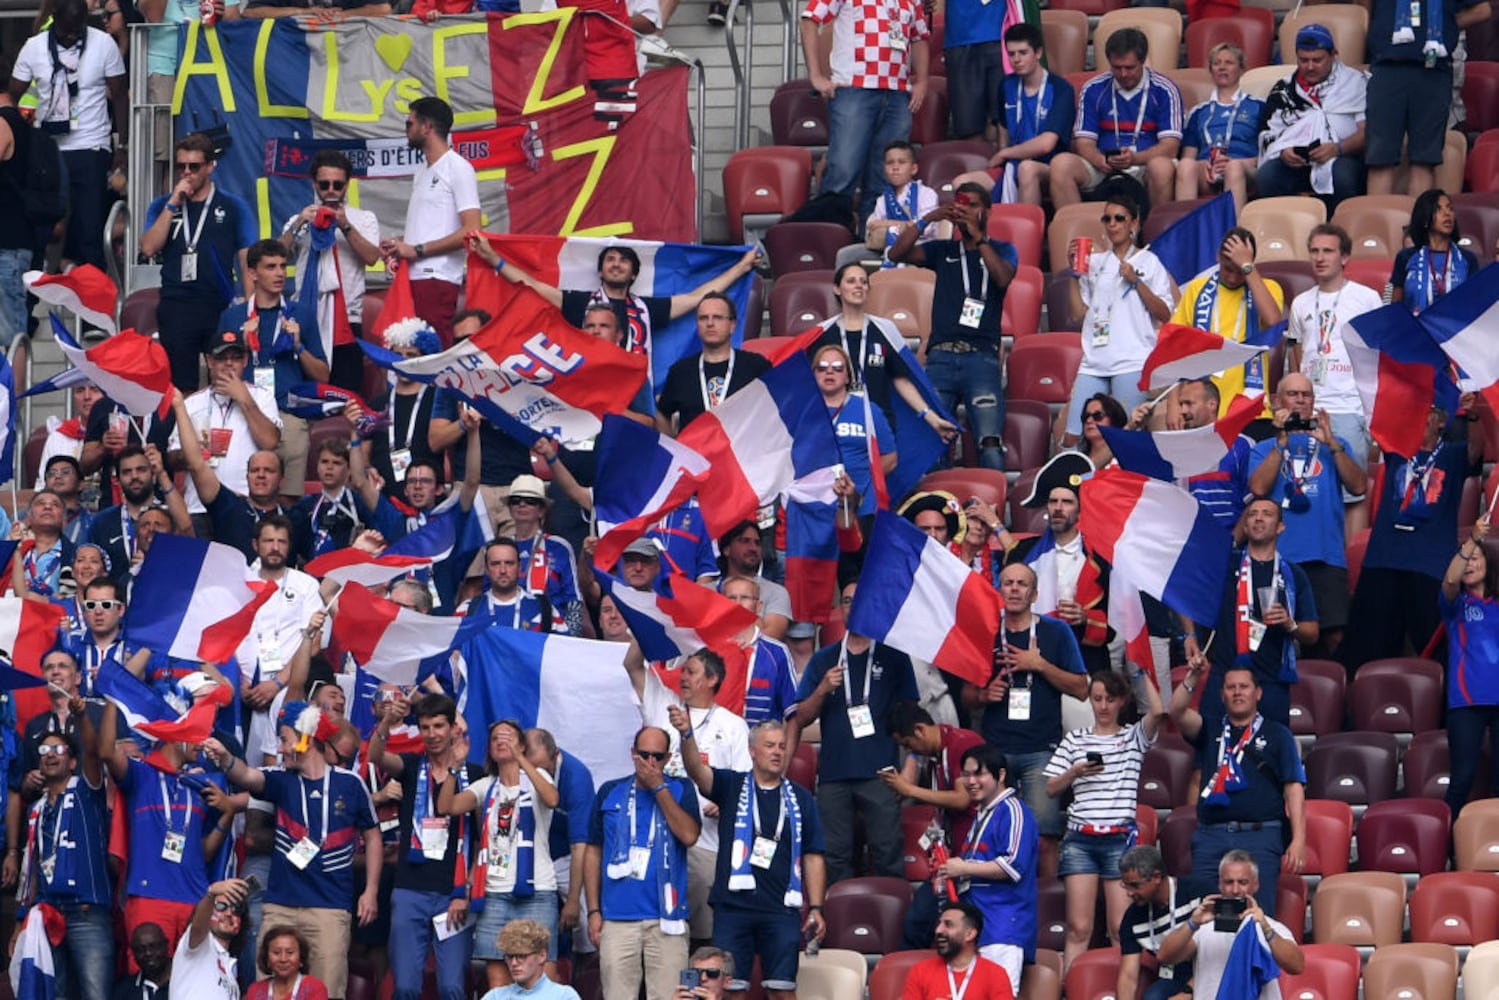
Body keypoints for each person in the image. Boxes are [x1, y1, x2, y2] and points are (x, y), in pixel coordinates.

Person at [202, 704, 381, 1000]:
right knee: (270, 993)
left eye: (285, 740)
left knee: (328, 992)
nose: (281, 749)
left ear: (305, 739)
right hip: (280, 906)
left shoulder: (351, 784)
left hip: (330, 908)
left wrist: (371, 890)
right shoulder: (281, 779)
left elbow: (373, 837)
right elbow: (247, 776)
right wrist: (224, 758)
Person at [673, 718, 827, 998]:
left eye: (782, 746)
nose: (777, 752)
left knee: (782, 990)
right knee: (731, 991)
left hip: (781, 910)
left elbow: (813, 855)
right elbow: (697, 771)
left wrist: (816, 906)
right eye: (769, 745)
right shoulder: (731, 785)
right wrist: (686, 734)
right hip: (734, 908)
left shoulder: (802, 799)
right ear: (752, 750)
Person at [964, 561, 1086, 880]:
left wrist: (1040, 665)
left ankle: (1044, 917)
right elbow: (965, 695)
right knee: (995, 837)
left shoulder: (1055, 631)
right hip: (995, 751)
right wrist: (982, 696)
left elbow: (1082, 688)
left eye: (1022, 584)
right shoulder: (986, 631)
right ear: (998, 590)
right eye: (1008, 583)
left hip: (1040, 750)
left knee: (1044, 837)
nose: (1015, 589)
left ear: (1034, 594)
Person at [1343, 400, 1482, 672]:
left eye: (1425, 410)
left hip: (1429, 566)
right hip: (1383, 560)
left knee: (1437, 653)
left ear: (1440, 421)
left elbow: (1477, 450)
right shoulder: (1397, 450)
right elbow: (1381, 414)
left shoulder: (1453, 455)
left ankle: (1444, 710)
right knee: (1365, 654)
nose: (1416, 414)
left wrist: (1474, 414)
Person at [795, 578, 918, 883]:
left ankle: (895, 924)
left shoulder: (894, 656)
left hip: (882, 773)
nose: (853, 605)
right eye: (847, 600)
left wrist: (910, 771)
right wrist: (822, 689)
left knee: (887, 851)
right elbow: (801, 717)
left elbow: (911, 720)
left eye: (859, 599)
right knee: (835, 855)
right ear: (842, 609)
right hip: (835, 774)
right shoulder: (824, 658)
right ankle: (839, 923)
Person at [890, 182, 1018, 472]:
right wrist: (929, 219)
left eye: (974, 205)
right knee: (932, 438)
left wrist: (980, 238)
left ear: (988, 211)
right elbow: (896, 255)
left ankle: (990, 510)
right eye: (962, 203)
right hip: (941, 357)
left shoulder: (1002, 249)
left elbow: (1002, 278)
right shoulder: (943, 250)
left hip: (981, 358)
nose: (966, 210)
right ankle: (936, 510)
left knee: (989, 441)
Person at [1044, 669, 1164, 972]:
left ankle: (1119, 991)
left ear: (1122, 701)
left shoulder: (1132, 737)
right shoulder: (1074, 739)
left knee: (1118, 927)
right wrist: (1075, 773)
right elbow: (1050, 788)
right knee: (1078, 928)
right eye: (1097, 699)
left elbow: (1158, 711)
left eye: (1110, 699)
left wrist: (1143, 670)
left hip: (1118, 838)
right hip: (1080, 839)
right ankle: (1072, 990)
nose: (1103, 706)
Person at [364, 692, 482, 1000]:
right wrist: (387, 723)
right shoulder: (411, 766)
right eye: (425, 727)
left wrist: (467, 888)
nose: (432, 734)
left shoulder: (477, 774)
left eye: (439, 726)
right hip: (410, 890)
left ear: (453, 728)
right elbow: (376, 756)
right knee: (404, 986)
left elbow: (481, 838)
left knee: (453, 987)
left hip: (452, 893)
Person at [1168, 666, 1306, 917]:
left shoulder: (1278, 734)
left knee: (1256, 916)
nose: (1237, 692)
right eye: (1231, 688)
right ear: (1222, 695)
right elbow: (1175, 711)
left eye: (1244, 687)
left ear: (1258, 693)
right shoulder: (1209, 729)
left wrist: (1298, 839)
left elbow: (1293, 787)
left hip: (1260, 835)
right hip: (1211, 837)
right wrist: (1193, 678)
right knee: (1203, 915)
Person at [100, 697, 233, 951]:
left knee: (191, 986)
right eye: (197, 733)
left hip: (195, 898)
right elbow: (106, 751)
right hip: (150, 897)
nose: (202, 742)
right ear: (175, 733)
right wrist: (114, 697)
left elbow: (202, 852)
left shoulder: (200, 786)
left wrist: (227, 814)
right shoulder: (141, 775)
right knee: (149, 982)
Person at [1247, 374, 1366, 656]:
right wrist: (1280, 442)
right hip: (1280, 559)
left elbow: (1359, 486)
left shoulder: (1334, 447)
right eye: (1292, 394)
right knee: (1275, 638)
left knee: (1332, 639)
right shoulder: (1263, 449)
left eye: (1306, 395)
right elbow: (1259, 488)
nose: (1300, 400)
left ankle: (1326, 698)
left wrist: (1333, 443)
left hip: (1326, 557)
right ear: (1277, 401)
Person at [439, 718, 562, 988]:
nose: (500, 741)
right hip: (494, 894)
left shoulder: (538, 778)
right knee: (499, 982)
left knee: (544, 981)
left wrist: (521, 759)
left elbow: (553, 800)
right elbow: (447, 806)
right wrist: (454, 767)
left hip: (538, 891)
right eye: (495, 738)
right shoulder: (486, 785)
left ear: (521, 745)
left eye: (508, 736)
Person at [583, 726, 702, 1000]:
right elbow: (593, 852)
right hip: (617, 918)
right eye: (644, 755)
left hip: (667, 918)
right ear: (632, 754)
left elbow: (689, 835)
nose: (650, 763)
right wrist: (592, 911)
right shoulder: (610, 790)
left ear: (668, 757)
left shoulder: (681, 788)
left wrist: (659, 787)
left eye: (657, 757)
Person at [9, 0, 126, 274]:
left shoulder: (103, 44)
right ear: (55, 17)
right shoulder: (34, 47)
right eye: (65, 31)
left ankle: (90, 315)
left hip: (92, 148)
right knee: (40, 231)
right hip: (49, 152)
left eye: (77, 30)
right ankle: (29, 309)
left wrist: (121, 146)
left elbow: (119, 94)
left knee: (89, 234)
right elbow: (12, 95)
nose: (72, 36)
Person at [1187, 497, 1318, 733]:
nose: (1258, 518)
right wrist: (1189, 636)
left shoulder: (1293, 575)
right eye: (1252, 514)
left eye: (1267, 514)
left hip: (1271, 682)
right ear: (1245, 526)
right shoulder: (1223, 565)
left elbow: (1312, 633)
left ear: (1280, 527)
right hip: (1225, 678)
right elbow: (1185, 590)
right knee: (1210, 755)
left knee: (1270, 760)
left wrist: (1290, 624)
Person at [141, 133, 257, 391]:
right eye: (181, 166)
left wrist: (250, 310)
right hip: (176, 303)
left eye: (193, 167)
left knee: (225, 378)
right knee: (181, 386)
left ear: (210, 167)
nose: (186, 173)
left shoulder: (232, 205)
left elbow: (246, 259)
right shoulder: (162, 205)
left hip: (218, 304)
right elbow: (149, 247)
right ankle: (185, 431)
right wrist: (172, 203)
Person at [799, 0, 930, 226]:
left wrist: (922, 80)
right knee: (842, 172)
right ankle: (831, 243)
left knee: (886, 178)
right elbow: (809, 19)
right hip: (854, 89)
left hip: (897, 94)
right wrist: (816, 75)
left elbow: (919, 37)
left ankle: (871, 245)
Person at [218, 239, 327, 498]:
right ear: (253, 273)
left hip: (287, 412)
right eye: (271, 267)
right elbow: (219, 375)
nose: (279, 273)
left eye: (282, 266)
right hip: (243, 411)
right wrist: (243, 346)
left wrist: (299, 347)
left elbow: (323, 375)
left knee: (289, 496)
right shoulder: (233, 317)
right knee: (238, 494)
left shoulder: (302, 314)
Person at [1063, 196, 1173, 448]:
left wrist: (1136, 281)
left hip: (1132, 360)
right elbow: (1077, 314)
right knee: (1073, 435)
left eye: (1119, 218)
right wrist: (1074, 274)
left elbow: (1165, 313)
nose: (1112, 224)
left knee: (1128, 435)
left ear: (1133, 223)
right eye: (1107, 219)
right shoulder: (1096, 262)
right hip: (1094, 360)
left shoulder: (1149, 261)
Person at [807, 263, 957, 445]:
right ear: (837, 289)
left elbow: (900, 378)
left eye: (863, 282)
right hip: (837, 425)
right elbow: (808, 383)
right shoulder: (822, 333)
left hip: (879, 426)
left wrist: (930, 417)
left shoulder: (885, 330)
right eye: (851, 281)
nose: (858, 286)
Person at [936, 745, 1037, 995]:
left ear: (1000, 775)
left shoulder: (1013, 810)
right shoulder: (983, 815)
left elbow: (1013, 866)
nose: (971, 781)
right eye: (966, 775)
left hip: (1004, 924)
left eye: (979, 774)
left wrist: (963, 866)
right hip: (978, 925)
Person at [1365, 0, 1492, 197]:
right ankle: (1376, 224)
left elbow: (1482, 10)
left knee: (1424, 159)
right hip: (1387, 67)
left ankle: (1417, 226)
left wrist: (1444, 23)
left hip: (1432, 71)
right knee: (1380, 159)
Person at [278, 149, 381, 391]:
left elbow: (372, 257)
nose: (331, 191)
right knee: (304, 393)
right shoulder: (299, 218)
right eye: (324, 185)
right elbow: (277, 255)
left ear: (347, 185)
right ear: (314, 183)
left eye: (338, 184)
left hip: (347, 318)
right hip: (304, 317)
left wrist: (344, 225)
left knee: (345, 396)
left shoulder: (363, 218)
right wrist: (299, 223)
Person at [1047, 27, 1184, 210]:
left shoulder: (1165, 90)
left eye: (1129, 67)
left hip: (1145, 164)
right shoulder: (1093, 88)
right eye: (1116, 68)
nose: (1123, 74)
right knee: (1060, 165)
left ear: (1143, 61)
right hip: (1103, 164)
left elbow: (1170, 147)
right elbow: (1084, 143)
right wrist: (1099, 160)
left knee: (1162, 167)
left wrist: (1135, 159)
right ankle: (1080, 233)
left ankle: (1157, 235)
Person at [382, 98, 480, 346]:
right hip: (411, 277)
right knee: (409, 351)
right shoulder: (421, 171)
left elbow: (472, 229)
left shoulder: (458, 167)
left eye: (409, 122)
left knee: (433, 352)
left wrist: (416, 250)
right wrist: (401, 245)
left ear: (426, 127)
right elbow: (431, 226)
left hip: (437, 276)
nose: (406, 128)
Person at [1285, 224, 1381, 479]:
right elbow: (1295, 350)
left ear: (1345, 257)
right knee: (1309, 486)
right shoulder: (1300, 302)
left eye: (1328, 251)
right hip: (1308, 410)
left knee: (1352, 491)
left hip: (1349, 407)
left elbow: (1379, 356)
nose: (1319, 257)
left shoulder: (1367, 298)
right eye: (1314, 251)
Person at [427, 308, 535, 536]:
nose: (465, 346)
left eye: (471, 339)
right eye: (458, 341)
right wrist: (463, 424)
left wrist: (498, 411)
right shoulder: (450, 382)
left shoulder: (517, 376)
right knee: (472, 570)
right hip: (470, 488)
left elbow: (539, 439)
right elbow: (435, 440)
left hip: (517, 487)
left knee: (518, 566)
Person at [1008, 452, 1114, 674]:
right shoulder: (1023, 553)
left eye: (1066, 502)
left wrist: (1086, 618)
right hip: (1030, 662)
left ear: (1080, 508)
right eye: (1053, 501)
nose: (1058, 508)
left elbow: (1118, 623)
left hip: (1084, 665)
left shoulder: (1102, 557)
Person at [1168, 228, 1285, 421]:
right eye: (1227, 268)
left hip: (1251, 408)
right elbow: (1175, 348)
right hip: (1204, 412)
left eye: (1239, 271)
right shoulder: (1197, 290)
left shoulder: (1268, 288)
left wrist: (1247, 266)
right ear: (1218, 258)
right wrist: (1173, 403)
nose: (1232, 277)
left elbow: (1272, 320)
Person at [1154, 850, 1305, 998]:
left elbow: (1296, 966)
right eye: (1228, 882)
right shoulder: (1203, 928)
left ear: (1255, 885)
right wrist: (1192, 923)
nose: (1235, 890)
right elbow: (1165, 956)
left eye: (1243, 882)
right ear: (1220, 885)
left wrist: (1266, 930)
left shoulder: (1271, 927)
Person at [953, 23, 1074, 206]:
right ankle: (980, 234)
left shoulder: (1060, 88)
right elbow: (1003, 128)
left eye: (1023, 53)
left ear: (1038, 53)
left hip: (1049, 167)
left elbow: (1047, 144)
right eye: (1011, 54)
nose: (1016, 59)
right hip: (1012, 165)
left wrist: (1006, 153)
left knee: (1027, 169)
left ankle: (1023, 233)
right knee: (960, 184)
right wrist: (1004, 154)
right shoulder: (1006, 85)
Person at [170, 325, 283, 519]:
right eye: (222, 357)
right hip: (200, 508)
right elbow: (172, 459)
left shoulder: (262, 397)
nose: (229, 363)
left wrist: (244, 398)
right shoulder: (191, 403)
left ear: (245, 360)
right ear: (209, 361)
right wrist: (195, 452)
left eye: (236, 357)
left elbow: (270, 442)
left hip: (245, 504)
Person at [1256, 24, 1367, 211]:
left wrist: (1337, 149)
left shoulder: (1355, 83)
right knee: (1267, 176)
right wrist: (1283, 152)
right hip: (1298, 164)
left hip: (1343, 157)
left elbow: (1368, 133)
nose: (1309, 66)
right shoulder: (1283, 89)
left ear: (1333, 54)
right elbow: (1268, 133)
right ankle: (1289, 229)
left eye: (1317, 60)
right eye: (1303, 60)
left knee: (1343, 175)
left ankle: (1339, 230)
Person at [1439, 512, 1499, 818]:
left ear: (1489, 564)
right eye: (1466, 559)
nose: (1471, 564)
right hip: (1466, 703)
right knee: (1462, 779)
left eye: (1477, 558)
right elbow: (1450, 579)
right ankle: (1445, 851)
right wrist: (1472, 539)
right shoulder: (1455, 605)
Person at [654, 293, 773, 435]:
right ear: (697, 325)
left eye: (717, 317)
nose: (710, 323)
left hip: (742, 455)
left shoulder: (757, 366)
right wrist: (674, 447)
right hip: (695, 455)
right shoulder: (680, 371)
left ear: (732, 325)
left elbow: (775, 411)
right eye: (703, 318)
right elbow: (663, 413)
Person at [1175, 43, 1264, 211]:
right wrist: (1204, 165)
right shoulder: (1199, 112)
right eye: (1217, 63)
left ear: (1241, 68)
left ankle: (1235, 232)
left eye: (1229, 63)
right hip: (1208, 171)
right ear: (1211, 70)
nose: (1222, 67)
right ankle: (1185, 231)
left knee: (1233, 168)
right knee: (1186, 165)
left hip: (1245, 169)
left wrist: (1239, 162)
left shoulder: (1258, 106)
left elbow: (1267, 155)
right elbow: (1188, 156)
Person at [505, 474, 584, 637]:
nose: (522, 504)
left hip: (552, 634)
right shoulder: (500, 548)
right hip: (509, 633)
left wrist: (571, 640)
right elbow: (488, 595)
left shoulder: (560, 547)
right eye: (516, 500)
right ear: (510, 509)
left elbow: (573, 600)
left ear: (542, 510)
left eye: (530, 501)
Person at [719, 576, 801, 730]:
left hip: (761, 748)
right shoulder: (709, 650)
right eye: (731, 598)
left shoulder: (777, 652)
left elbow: (794, 714)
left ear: (758, 606)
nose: (737, 603)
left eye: (744, 598)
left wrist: (787, 754)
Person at [1116, 845, 1196, 1000]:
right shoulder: (1132, 918)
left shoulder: (1196, 893)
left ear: (1157, 877)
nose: (1129, 893)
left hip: (1211, 969)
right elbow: (1128, 976)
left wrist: (1188, 992)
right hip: (1173, 975)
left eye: (1135, 885)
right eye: (1125, 885)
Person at [1390, 189, 1483, 314]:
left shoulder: (1467, 259)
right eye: (1439, 209)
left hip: (1454, 331)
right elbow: (1395, 309)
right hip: (1415, 331)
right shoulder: (1406, 257)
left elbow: (1475, 305)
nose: (1447, 214)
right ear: (1425, 217)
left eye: (1450, 209)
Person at [901, 902, 1015, 1000]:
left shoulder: (995, 974)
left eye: (948, 925)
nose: (938, 930)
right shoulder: (920, 971)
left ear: (969, 934)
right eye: (939, 924)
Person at [0, 54, 33, 348]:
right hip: (13, 243)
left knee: (11, 336)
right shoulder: (20, 123)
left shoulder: (2, 122)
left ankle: (14, 396)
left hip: (6, 247)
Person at [864, 140, 942, 261]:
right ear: (884, 169)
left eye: (902, 162)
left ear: (914, 169)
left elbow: (926, 227)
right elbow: (872, 227)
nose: (895, 167)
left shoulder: (926, 194)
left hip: (920, 247)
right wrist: (906, 225)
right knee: (846, 254)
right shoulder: (883, 199)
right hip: (886, 247)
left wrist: (887, 224)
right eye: (890, 163)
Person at [173, 879, 250, 1000]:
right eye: (221, 906)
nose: (229, 913)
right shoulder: (198, 943)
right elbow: (198, 928)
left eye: (236, 909)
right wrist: (211, 894)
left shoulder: (232, 972)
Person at [716, 522, 792, 640]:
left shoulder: (776, 592)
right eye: (744, 541)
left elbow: (772, 636)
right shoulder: (707, 590)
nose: (753, 548)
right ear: (727, 550)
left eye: (757, 543)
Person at [464, 539, 560, 632]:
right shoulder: (467, 609)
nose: (503, 570)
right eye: (495, 564)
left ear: (519, 567)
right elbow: (452, 647)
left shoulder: (544, 610)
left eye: (509, 563)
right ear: (486, 569)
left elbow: (564, 646)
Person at [480, 920, 580, 1000]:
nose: (514, 963)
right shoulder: (495, 996)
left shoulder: (564, 996)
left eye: (521, 956)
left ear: (542, 955)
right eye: (510, 957)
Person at [245, 927, 328, 1000]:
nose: (283, 959)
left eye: (290, 952)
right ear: (267, 957)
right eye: (276, 953)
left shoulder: (315, 988)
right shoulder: (255, 990)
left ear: (301, 957)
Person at [115, 922, 173, 1000]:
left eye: (153, 947)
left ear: (166, 945)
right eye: (140, 950)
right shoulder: (125, 990)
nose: (148, 953)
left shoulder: (186, 980)